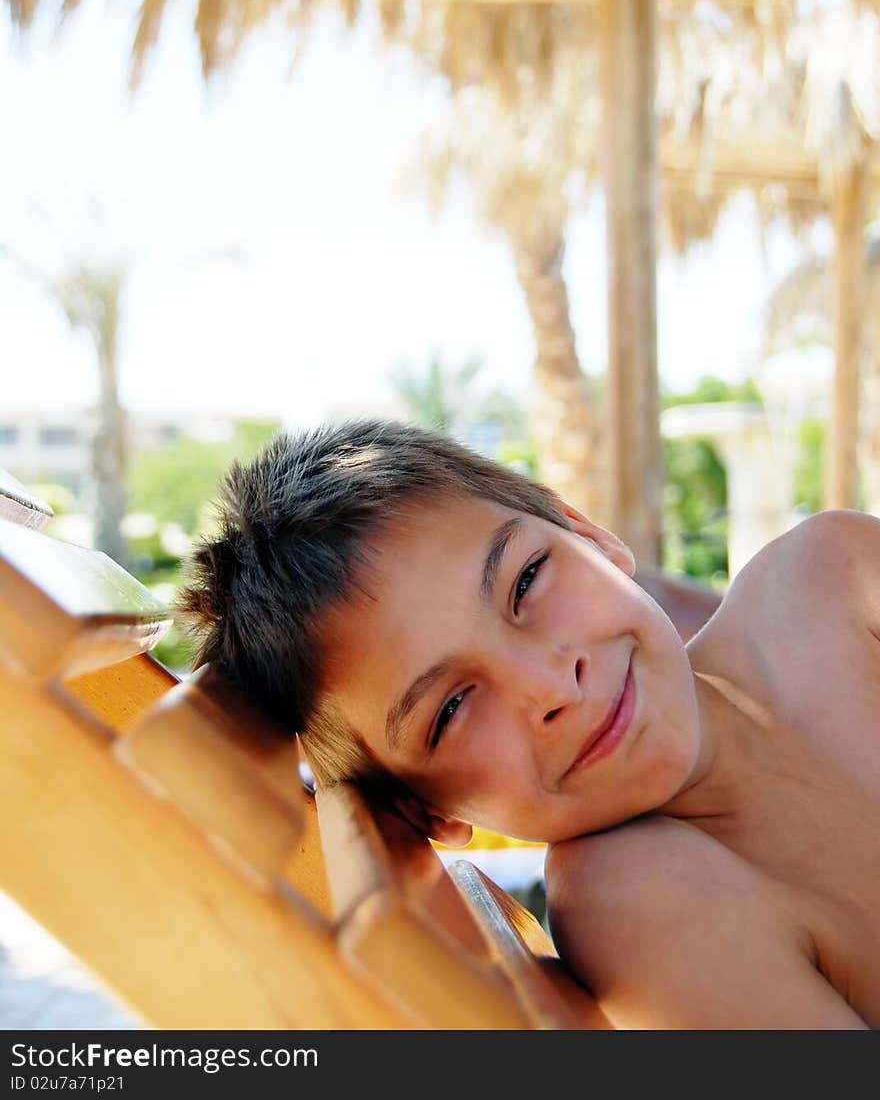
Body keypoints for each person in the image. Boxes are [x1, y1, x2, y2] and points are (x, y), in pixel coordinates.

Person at [178, 419, 878, 1030]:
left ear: (592, 538)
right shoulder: (642, 898)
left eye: (526, 581)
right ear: (431, 810)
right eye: (451, 709)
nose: (551, 685)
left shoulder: (833, 577)